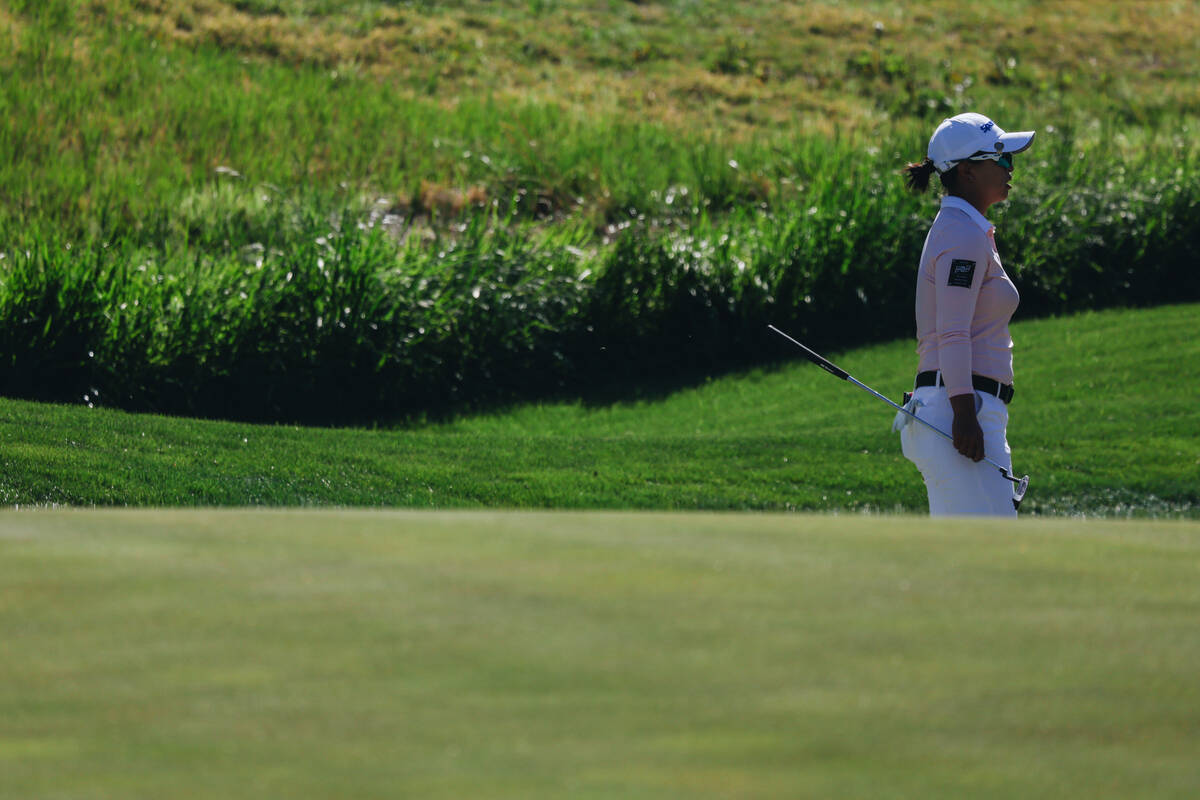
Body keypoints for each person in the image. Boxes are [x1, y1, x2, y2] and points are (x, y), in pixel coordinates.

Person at [897, 112, 1035, 516]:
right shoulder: (961, 234)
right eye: (1002, 159)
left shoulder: (966, 229)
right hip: (958, 411)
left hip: (960, 407)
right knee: (991, 562)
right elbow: (952, 332)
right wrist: (963, 415)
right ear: (968, 171)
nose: (1011, 168)